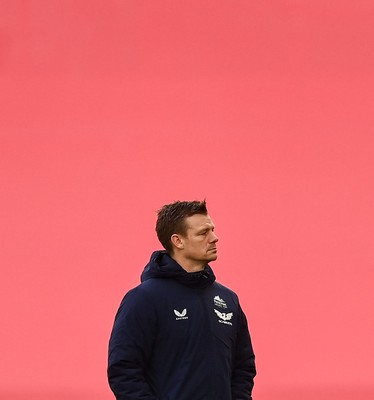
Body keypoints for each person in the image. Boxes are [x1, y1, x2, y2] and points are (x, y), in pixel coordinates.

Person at [108, 200, 256, 400]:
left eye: (212, 230)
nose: (214, 238)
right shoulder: (143, 299)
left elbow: (243, 368)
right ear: (178, 241)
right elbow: (124, 371)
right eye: (203, 233)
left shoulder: (228, 299)